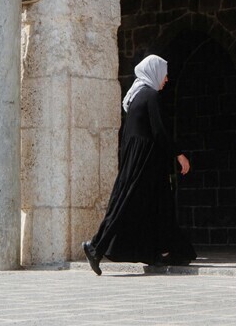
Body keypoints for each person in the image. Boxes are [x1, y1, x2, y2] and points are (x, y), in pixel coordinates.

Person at [82, 54, 195, 274]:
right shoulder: (150, 96)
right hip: (146, 163)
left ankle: (158, 253)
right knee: (128, 205)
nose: (166, 79)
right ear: (154, 73)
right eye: (164, 74)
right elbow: (160, 131)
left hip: (139, 161)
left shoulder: (135, 97)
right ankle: (95, 247)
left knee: (150, 206)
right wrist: (179, 154)